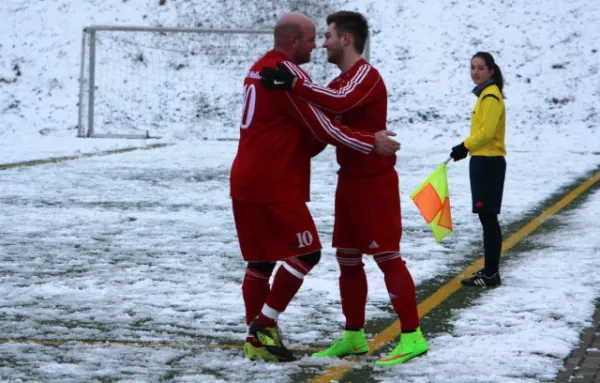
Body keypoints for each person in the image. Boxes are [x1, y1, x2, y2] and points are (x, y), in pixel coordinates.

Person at [230, 12, 401, 363]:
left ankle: (255, 343)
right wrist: (371, 141)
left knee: (260, 261)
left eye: (324, 37)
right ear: (294, 42)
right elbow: (321, 126)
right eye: (312, 40)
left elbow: (313, 127)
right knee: (307, 252)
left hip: (244, 175)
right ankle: (263, 325)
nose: (318, 46)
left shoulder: (258, 66)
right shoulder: (287, 74)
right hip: (274, 180)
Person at [449, 51, 506, 287]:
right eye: (472, 67)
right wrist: (467, 149)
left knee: (488, 218)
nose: (475, 72)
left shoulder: (491, 97)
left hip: (488, 162)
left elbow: (487, 133)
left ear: (490, 71)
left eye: (480, 68)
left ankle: (491, 273)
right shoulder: (484, 95)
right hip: (482, 160)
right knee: (486, 218)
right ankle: (490, 271)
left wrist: (464, 146)